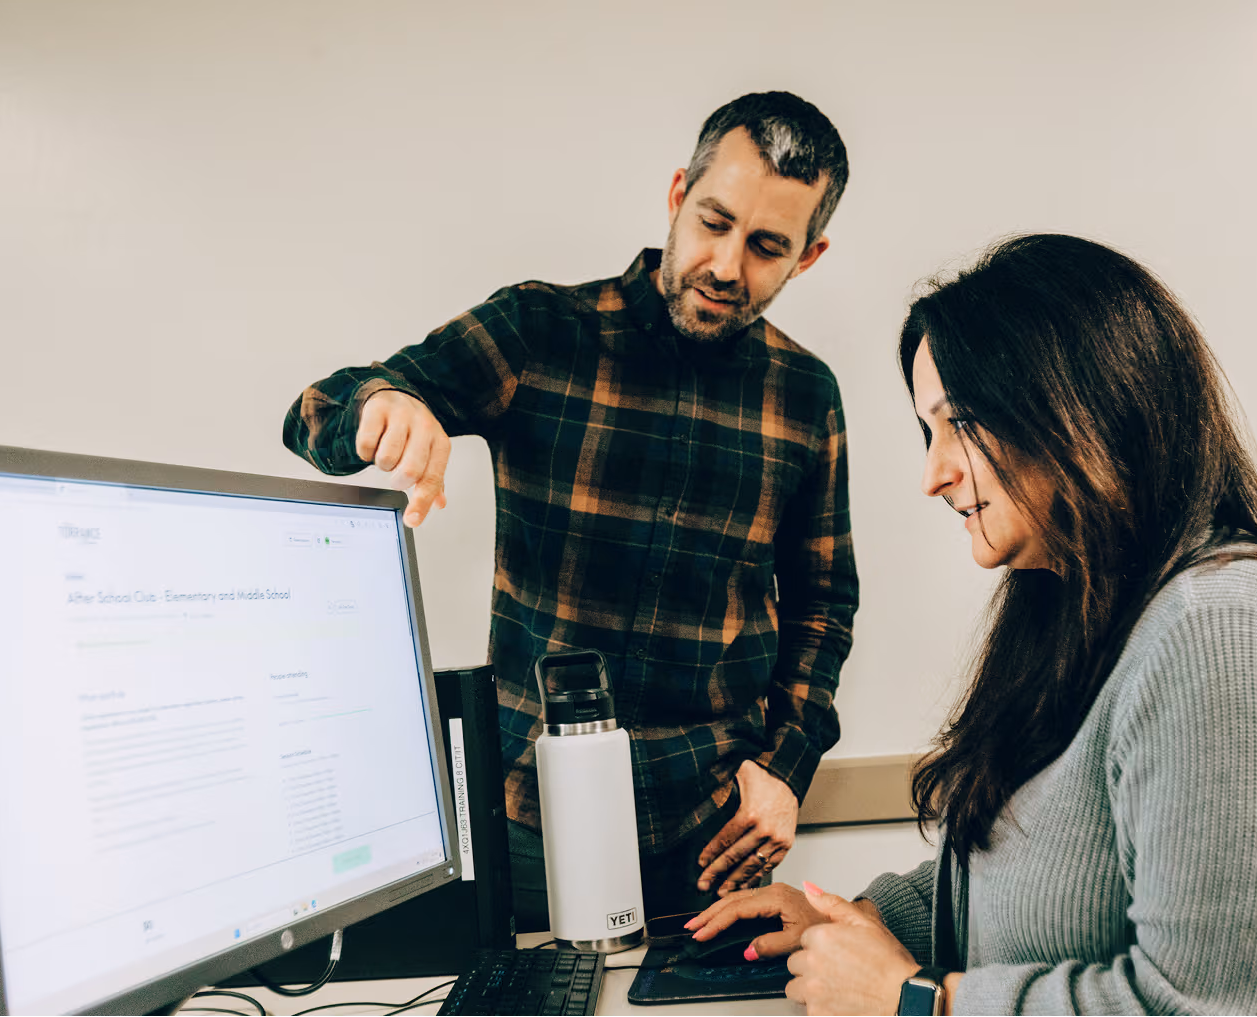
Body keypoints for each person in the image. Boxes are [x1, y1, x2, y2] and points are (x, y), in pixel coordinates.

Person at [686, 234, 1257, 1014]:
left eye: (959, 423)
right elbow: (1041, 869)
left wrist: (916, 999)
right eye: (928, 431)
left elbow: (1234, 1005)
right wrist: (856, 920)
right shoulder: (1078, 604)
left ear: (1080, 408)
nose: (933, 474)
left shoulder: (1227, 634)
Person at [281, 92, 857, 928]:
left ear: (808, 256)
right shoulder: (540, 331)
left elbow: (823, 605)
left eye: (767, 246)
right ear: (677, 195)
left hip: (714, 833)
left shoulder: (806, 394)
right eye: (713, 222)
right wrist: (382, 404)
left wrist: (786, 768)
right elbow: (315, 409)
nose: (727, 266)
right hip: (529, 825)